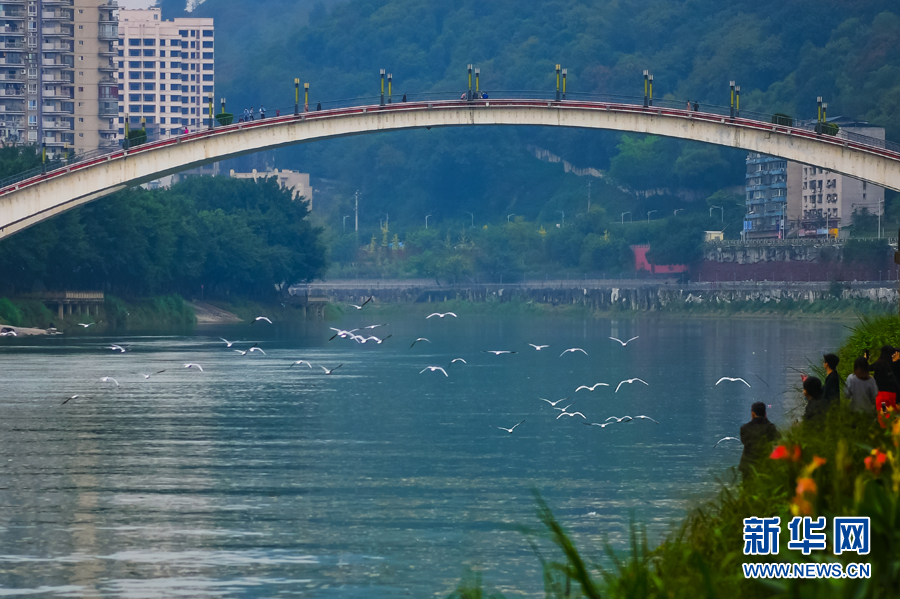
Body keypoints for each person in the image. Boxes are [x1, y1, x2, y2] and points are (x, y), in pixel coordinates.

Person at [739, 401, 779, 480]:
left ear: (753, 414)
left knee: (747, 489)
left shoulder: (745, 428)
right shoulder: (770, 428)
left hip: (748, 466)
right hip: (765, 465)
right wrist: (765, 420)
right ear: (765, 414)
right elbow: (778, 439)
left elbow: (744, 441)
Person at [866, 345, 899, 415]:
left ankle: (884, 425)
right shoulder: (894, 364)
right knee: (892, 413)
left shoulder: (879, 363)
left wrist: (866, 359)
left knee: (883, 413)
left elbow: (867, 368)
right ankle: (891, 424)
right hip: (892, 394)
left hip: (881, 394)